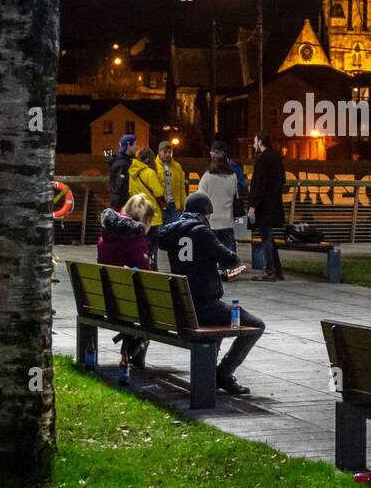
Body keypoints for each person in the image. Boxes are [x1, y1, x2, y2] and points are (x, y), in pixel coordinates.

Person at [157, 191, 262, 395]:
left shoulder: (172, 233)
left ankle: (213, 375)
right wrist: (227, 267)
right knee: (256, 324)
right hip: (203, 307)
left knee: (220, 318)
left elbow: (192, 266)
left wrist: (215, 272)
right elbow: (231, 259)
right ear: (204, 213)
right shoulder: (202, 232)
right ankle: (224, 373)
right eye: (209, 215)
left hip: (182, 307)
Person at [96, 195, 155, 383]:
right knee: (153, 304)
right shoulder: (135, 237)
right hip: (128, 302)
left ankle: (133, 348)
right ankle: (135, 350)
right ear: (146, 220)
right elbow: (145, 274)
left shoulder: (107, 232)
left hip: (104, 298)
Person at [248, 133, 285, 281]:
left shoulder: (262, 159)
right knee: (269, 237)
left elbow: (259, 184)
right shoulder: (276, 158)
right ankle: (277, 270)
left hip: (263, 205)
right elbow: (282, 179)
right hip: (274, 203)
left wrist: (252, 206)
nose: (253, 145)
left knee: (266, 237)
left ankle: (270, 271)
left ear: (260, 142)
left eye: (255, 141)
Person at [198, 148, 242, 266]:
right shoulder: (233, 176)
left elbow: (201, 196)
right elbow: (235, 195)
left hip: (211, 220)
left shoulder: (207, 176)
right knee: (228, 252)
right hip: (227, 220)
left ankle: (212, 270)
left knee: (210, 251)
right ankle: (229, 270)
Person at [129, 147, 166, 269]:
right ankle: (152, 267)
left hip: (138, 213)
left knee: (141, 243)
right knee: (152, 245)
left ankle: (141, 266)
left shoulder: (132, 173)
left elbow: (130, 191)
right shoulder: (150, 173)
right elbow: (158, 192)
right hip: (152, 215)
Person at [156, 139, 187, 226]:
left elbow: (182, 187)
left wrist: (184, 204)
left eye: (170, 152)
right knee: (161, 230)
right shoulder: (154, 166)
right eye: (165, 152)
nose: (167, 154)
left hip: (175, 206)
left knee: (175, 229)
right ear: (159, 152)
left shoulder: (177, 166)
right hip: (160, 205)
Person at [104, 133, 138, 209]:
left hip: (119, 203)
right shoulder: (122, 164)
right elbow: (121, 185)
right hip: (121, 205)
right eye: (135, 144)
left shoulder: (122, 161)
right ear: (129, 145)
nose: (137, 147)